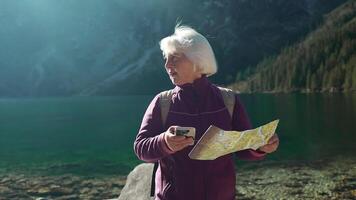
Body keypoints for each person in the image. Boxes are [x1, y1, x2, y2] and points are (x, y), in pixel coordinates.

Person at [134, 25, 279, 200]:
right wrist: (165, 141)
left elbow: (244, 150)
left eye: (175, 58)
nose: (167, 65)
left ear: (197, 60)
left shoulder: (228, 100)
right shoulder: (162, 102)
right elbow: (141, 148)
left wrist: (261, 146)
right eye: (166, 58)